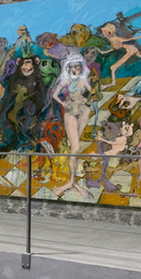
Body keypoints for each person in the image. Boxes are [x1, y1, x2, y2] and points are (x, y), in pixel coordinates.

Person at [49, 55, 95, 196]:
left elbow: (93, 94)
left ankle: (72, 182)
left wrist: (87, 100)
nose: (75, 69)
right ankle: (71, 182)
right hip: (70, 113)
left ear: (81, 67)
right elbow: (54, 95)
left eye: (77, 67)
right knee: (75, 148)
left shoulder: (83, 80)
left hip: (83, 111)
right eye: (72, 67)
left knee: (75, 147)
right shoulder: (65, 81)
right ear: (68, 68)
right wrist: (63, 103)